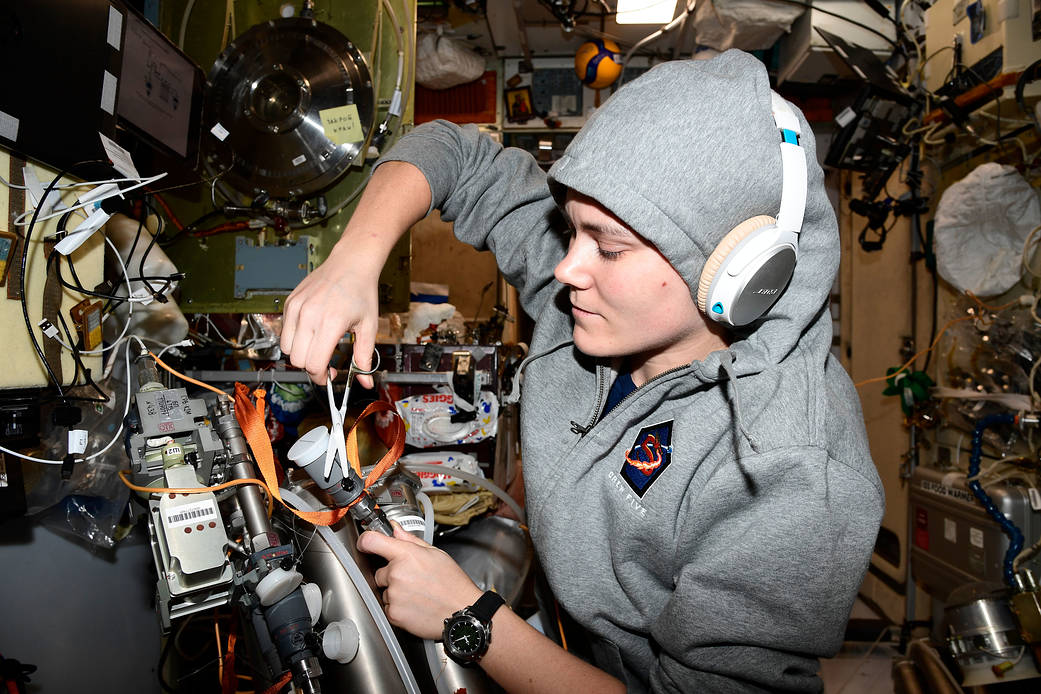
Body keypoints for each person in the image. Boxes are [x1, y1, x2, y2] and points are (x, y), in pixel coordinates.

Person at [280, 50, 884, 693]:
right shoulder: (600, 299)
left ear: (739, 274)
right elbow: (451, 152)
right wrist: (354, 261)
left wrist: (472, 621)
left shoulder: (791, 477)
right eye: (571, 230)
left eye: (610, 246)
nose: (567, 270)